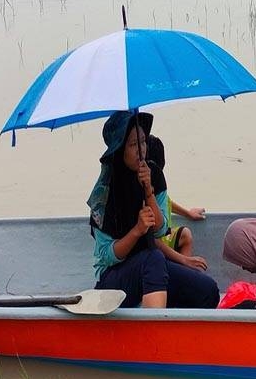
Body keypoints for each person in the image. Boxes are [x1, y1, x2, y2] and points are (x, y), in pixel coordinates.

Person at [87, 111, 219, 309]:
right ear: (120, 149)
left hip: (151, 267)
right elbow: (106, 255)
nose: (141, 150)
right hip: (113, 279)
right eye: (133, 145)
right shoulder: (103, 192)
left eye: (143, 142)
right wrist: (137, 231)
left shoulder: (153, 174)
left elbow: (160, 229)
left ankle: (171, 328)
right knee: (153, 258)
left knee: (207, 290)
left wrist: (148, 191)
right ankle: (153, 333)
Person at [145, 134, 207, 270]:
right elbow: (151, 240)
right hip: (151, 247)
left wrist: (188, 214)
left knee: (185, 234)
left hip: (163, 237)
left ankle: (185, 273)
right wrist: (184, 259)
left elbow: (166, 201)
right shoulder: (143, 193)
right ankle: (182, 272)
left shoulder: (156, 184)